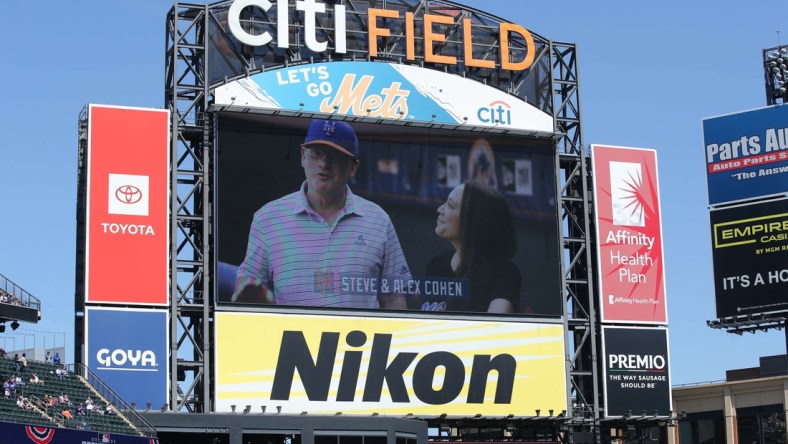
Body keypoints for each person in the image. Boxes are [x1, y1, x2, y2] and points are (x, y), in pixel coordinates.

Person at [232, 119, 411, 309]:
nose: (323, 163)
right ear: (303, 156)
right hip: (290, 338)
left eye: (334, 155)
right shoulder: (268, 218)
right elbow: (246, 289)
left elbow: (393, 298)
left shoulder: (378, 220)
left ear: (352, 167)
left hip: (361, 339)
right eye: (316, 153)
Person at [422, 181, 521, 313]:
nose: (439, 209)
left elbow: (497, 326)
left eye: (450, 205)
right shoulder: (436, 265)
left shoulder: (503, 273)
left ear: (471, 221)